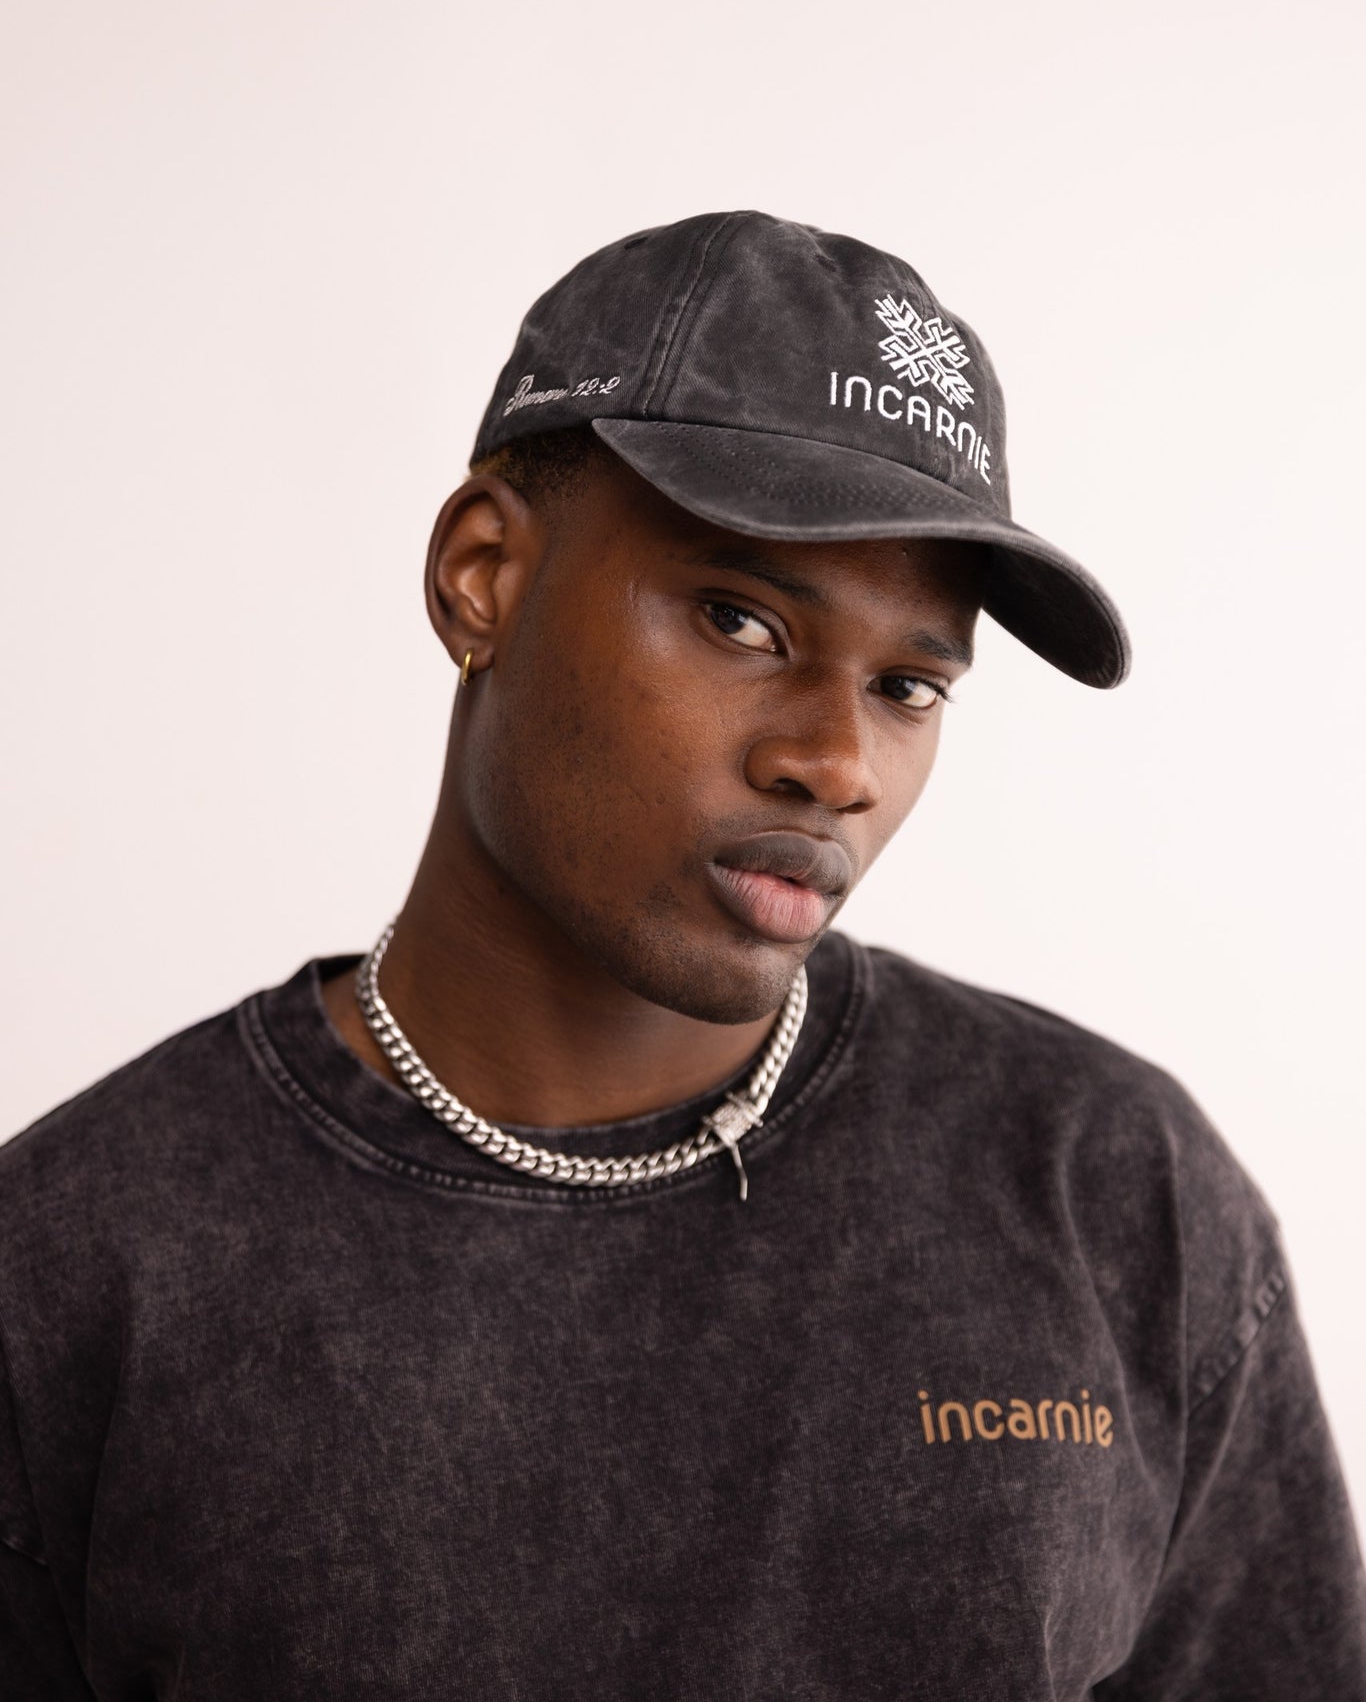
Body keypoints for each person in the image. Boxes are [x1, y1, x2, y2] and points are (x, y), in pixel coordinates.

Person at [1, 212, 1361, 1699]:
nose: (835, 763)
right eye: (741, 620)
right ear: (482, 575)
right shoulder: (78, 1264)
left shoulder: (1110, 1190)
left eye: (909, 687)